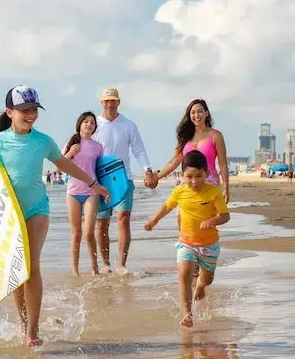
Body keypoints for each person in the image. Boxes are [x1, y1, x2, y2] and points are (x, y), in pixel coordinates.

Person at [0, 86, 110, 347]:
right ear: (10, 112)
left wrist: (93, 183)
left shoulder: (43, 142)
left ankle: (33, 329)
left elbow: (65, 165)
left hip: (36, 209)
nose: (31, 115)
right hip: (9, 213)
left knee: (31, 265)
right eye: (25, 110)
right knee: (16, 268)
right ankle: (22, 320)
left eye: (34, 110)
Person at [144, 150, 230, 328]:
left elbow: (225, 216)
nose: (194, 181)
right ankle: (187, 314)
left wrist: (213, 220)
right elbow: (167, 207)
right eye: (189, 177)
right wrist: (154, 220)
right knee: (184, 275)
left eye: (199, 176)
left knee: (206, 280)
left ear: (206, 173)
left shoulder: (213, 192)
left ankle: (200, 287)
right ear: (181, 175)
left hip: (209, 245)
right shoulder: (179, 191)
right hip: (187, 243)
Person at [92, 87, 155, 274]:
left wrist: (147, 170)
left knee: (123, 218)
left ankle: (121, 264)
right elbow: (85, 148)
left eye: (113, 101)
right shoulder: (94, 124)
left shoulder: (128, 125)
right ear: (101, 103)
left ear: (118, 102)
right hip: (101, 180)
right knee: (102, 222)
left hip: (124, 178)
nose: (110, 104)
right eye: (106, 101)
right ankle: (106, 264)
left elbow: (138, 150)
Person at [153, 99, 230, 203]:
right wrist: (156, 177)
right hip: (187, 183)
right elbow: (174, 162)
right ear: (189, 116)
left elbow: (223, 164)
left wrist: (226, 188)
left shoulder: (216, 136)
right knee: (185, 212)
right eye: (193, 112)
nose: (196, 115)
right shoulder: (185, 137)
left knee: (206, 212)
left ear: (206, 113)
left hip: (209, 182)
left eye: (200, 111)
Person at [63, 111, 104, 277]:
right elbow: (61, 164)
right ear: (80, 124)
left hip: (91, 192)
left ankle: (95, 268)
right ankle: (75, 270)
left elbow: (102, 171)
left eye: (92, 122)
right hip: (73, 192)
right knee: (76, 233)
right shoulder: (71, 143)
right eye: (86, 121)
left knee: (88, 232)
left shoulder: (98, 147)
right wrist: (70, 153)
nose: (89, 124)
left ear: (95, 127)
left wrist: (106, 190)